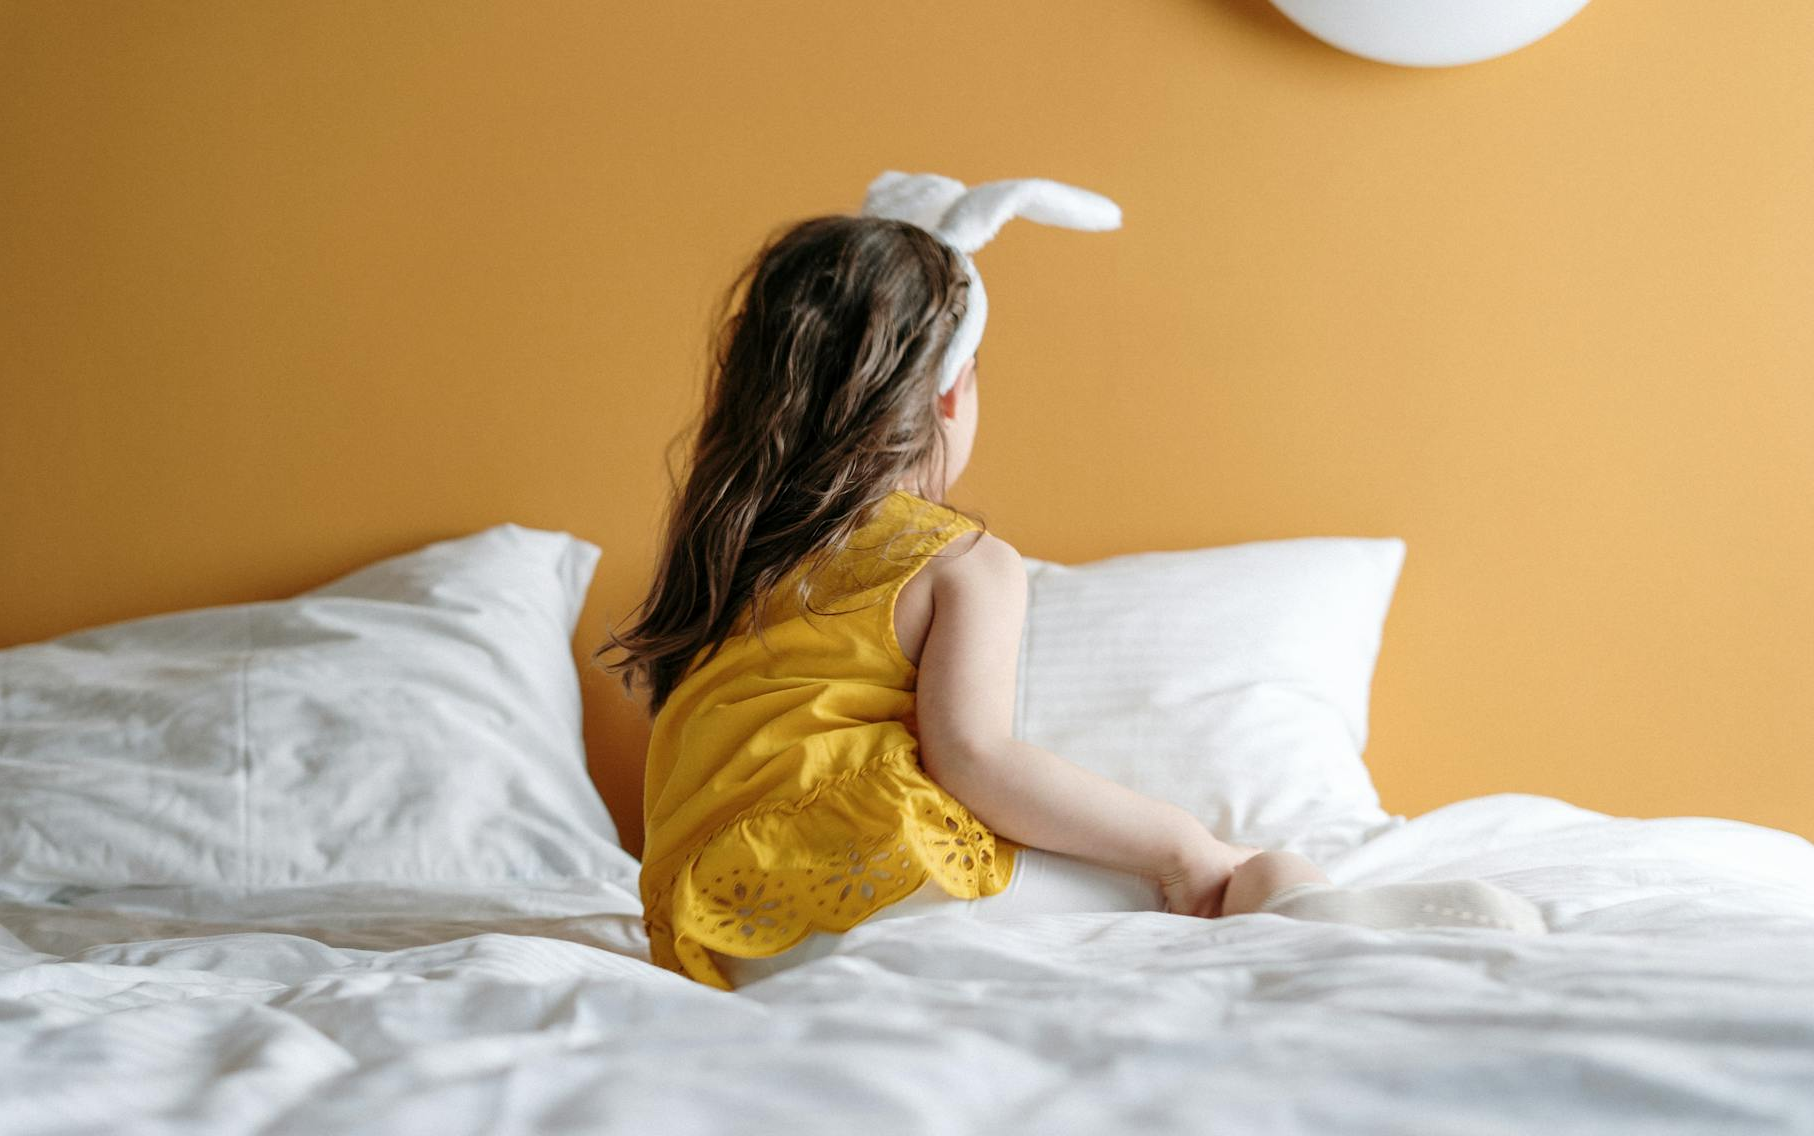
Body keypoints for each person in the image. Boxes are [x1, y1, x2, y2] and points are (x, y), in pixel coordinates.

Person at [598, 185, 1543, 992]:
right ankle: (1314, 914)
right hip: (883, 880)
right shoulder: (954, 559)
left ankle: (1309, 907)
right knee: (1231, 875)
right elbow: (975, 759)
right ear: (951, 391)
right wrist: (1179, 844)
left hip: (726, 925)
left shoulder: (726, 563)